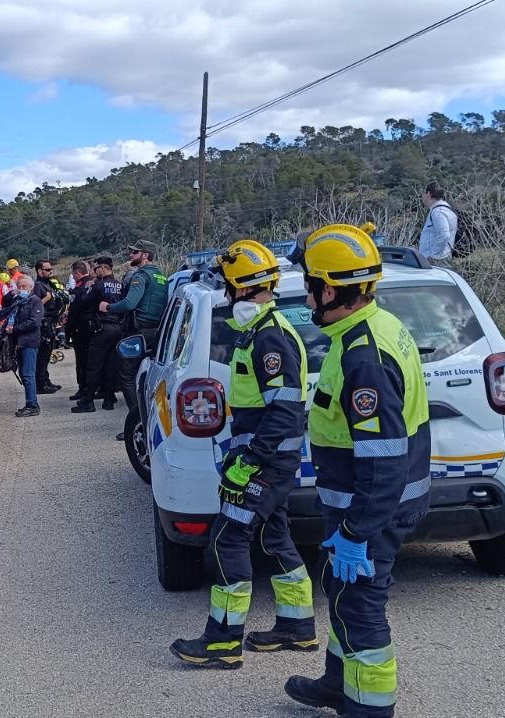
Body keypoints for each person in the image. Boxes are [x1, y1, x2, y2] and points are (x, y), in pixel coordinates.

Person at [283, 222, 430, 718]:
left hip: (371, 512)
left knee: (361, 607)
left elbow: (383, 461)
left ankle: (369, 707)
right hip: (365, 508)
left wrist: (357, 533)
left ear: (329, 289)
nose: (305, 297)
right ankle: (337, 684)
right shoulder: (372, 328)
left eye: (308, 286)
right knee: (343, 595)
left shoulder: (364, 357)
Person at [169, 240, 314, 668]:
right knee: (275, 535)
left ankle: (222, 641)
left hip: (266, 461)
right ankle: (296, 626)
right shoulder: (260, 332)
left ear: (243, 289)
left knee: (228, 540)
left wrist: (251, 460)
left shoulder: (270, 338)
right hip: (270, 459)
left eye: (229, 289)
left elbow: (285, 411)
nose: (228, 297)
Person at [101, 239, 169, 434]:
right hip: (155, 332)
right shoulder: (161, 276)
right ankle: (150, 420)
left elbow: (130, 304)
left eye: (135, 252)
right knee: (147, 376)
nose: (130, 255)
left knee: (127, 377)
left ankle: (137, 424)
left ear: (145, 255)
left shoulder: (141, 275)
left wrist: (109, 307)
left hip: (138, 332)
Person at [84, 257, 125, 412]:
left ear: (103, 268)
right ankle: (108, 400)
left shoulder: (98, 285)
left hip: (102, 328)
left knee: (94, 366)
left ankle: (88, 401)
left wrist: (89, 287)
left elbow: (84, 301)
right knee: (111, 365)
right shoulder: (120, 285)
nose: (95, 272)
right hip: (118, 328)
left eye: (96, 269)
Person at [0, 274, 43, 417]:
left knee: (28, 374)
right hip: (19, 342)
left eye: (25, 286)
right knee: (24, 373)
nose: (22, 288)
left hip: (29, 341)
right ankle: (30, 402)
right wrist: (12, 293)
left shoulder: (35, 301)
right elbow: (5, 304)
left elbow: (34, 322)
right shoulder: (18, 301)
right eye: (20, 286)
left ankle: (32, 404)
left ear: (31, 288)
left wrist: (15, 329)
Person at [65, 260, 97, 411]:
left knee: (84, 362)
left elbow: (78, 308)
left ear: (77, 273)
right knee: (81, 362)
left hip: (83, 327)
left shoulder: (86, 286)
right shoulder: (83, 285)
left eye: (73, 273)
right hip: (80, 327)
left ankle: (86, 391)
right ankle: (82, 389)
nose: (72, 276)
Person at [32, 259, 67, 395]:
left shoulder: (49, 284)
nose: (51, 271)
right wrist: (46, 298)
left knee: (47, 355)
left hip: (51, 322)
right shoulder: (38, 286)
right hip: (43, 323)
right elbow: (34, 306)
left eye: (51, 269)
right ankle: (40, 384)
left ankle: (45, 380)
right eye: (47, 270)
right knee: (42, 355)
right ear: (40, 271)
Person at [418, 181, 458, 265]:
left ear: (428, 194)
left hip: (437, 259)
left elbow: (444, 235)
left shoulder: (438, 212)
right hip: (442, 256)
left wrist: (433, 257)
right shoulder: (447, 209)